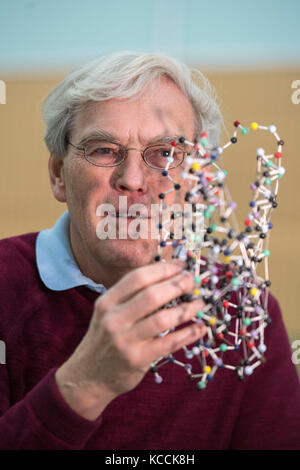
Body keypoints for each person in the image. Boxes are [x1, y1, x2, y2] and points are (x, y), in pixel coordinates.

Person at [0, 51, 299, 450]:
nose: (133, 180)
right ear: (58, 175)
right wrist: (84, 385)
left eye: (166, 153)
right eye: (104, 150)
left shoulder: (245, 313)